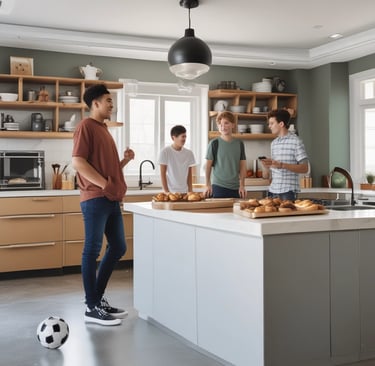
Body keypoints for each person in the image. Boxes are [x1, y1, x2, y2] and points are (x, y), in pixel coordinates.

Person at [72, 84, 135, 326]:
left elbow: (107, 170)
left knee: (118, 247)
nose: (112, 105)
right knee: (92, 249)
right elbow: (78, 161)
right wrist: (105, 186)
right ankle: (91, 306)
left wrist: (125, 161)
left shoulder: (103, 129)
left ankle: (97, 299)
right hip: (96, 198)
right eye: (108, 100)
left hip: (109, 199)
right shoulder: (85, 126)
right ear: (95, 103)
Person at [260, 109, 309, 201]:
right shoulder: (274, 143)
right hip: (272, 190)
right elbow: (274, 170)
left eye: (272, 123)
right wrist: (268, 166)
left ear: (281, 124)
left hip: (288, 192)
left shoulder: (296, 142)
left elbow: (305, 168)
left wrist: (282, 165)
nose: (269, 126)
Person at [204, 111, 247, 199]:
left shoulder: (239, 143)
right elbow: (207, 166)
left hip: (236, 188)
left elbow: (242, 166)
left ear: (233, 125)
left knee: (235, 212)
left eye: (226, 123)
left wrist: (242, 185)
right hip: (218, 187)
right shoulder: (214, 143)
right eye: (220, 124)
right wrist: (207, 184)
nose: (223, 126)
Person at [158, 125, 196, 193]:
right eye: (182, 136)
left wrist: (190, 191)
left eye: (185, 136)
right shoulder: (165, 152)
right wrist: (167, 192)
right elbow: (162, 174)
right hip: (171, 193)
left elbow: (189, 175)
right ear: (173, 138)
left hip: (185, 192)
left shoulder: (189, 153)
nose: (184, 139)